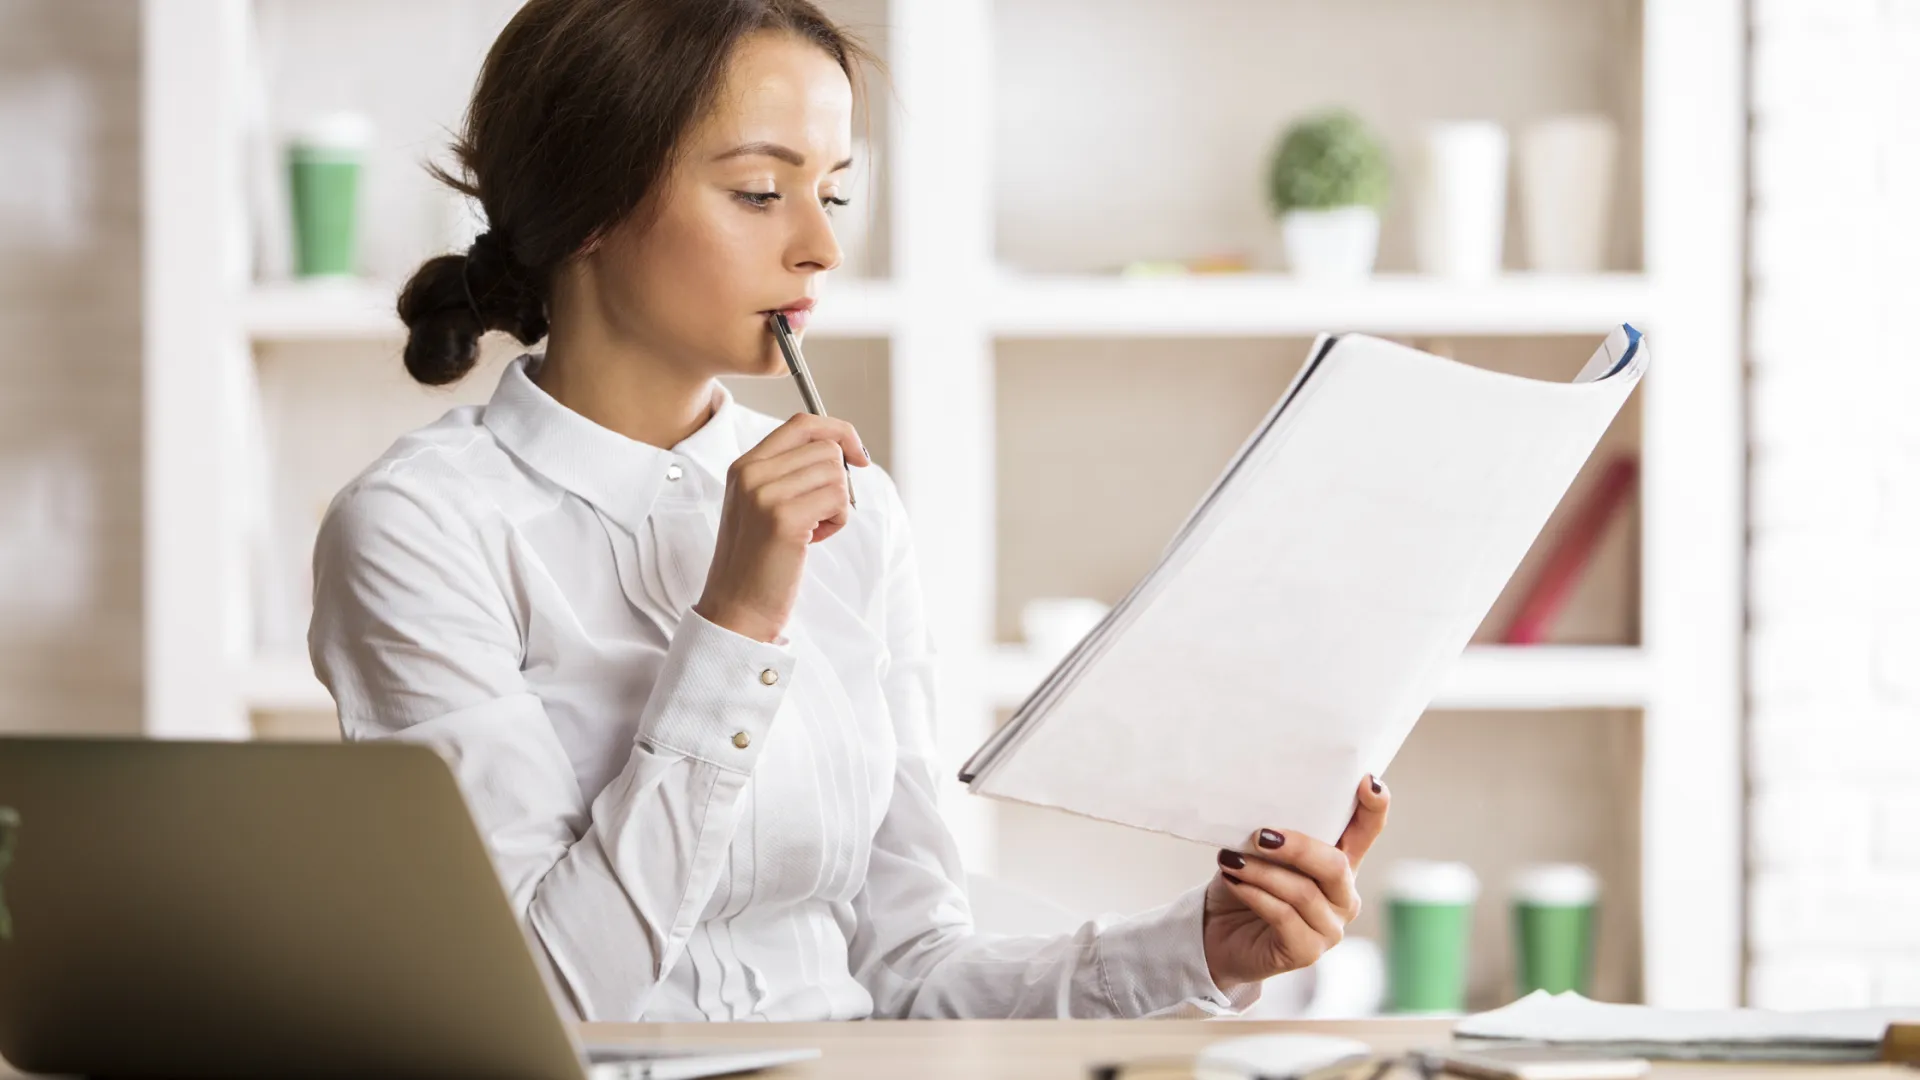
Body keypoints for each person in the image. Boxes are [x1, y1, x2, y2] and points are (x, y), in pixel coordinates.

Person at [308, 0, 1390, 1023]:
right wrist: (735, 621)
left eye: (833, 192)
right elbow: (542, 1001)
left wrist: (1195, 952)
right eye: (758, 192)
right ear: (590, 203)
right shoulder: (419, 528)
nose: (820, 248)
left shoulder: (856, 514)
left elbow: (912, 976)